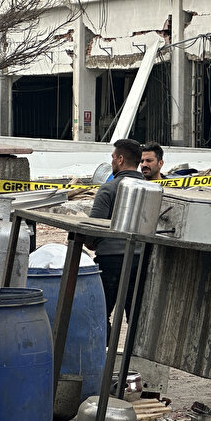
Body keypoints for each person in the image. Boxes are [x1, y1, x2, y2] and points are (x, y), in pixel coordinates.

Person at [87, 138, 145, 342]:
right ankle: (133, 355)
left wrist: (90, 241)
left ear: (120, 160)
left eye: (113, 157)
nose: (111, 161)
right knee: (137, 318)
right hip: (141, 261)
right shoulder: (151, 189)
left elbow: (93, 230)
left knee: (99, 314)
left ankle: (104, 353)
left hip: (111, 261)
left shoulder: (108, 189)